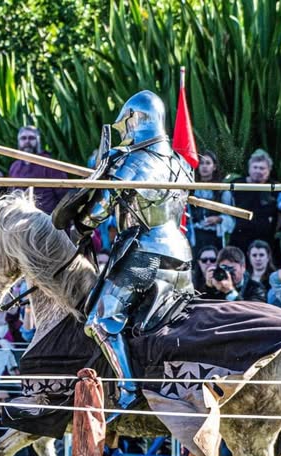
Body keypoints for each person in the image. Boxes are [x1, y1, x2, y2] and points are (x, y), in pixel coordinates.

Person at [52, 89, 193, 408]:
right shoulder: (182, 165)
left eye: (127, 122)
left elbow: (99, 210)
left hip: (145, 251)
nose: (125, 130)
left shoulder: (132, 163)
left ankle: (128, 393)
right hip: (181, 253)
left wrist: (82, 222)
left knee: (101, 321)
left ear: (137, 120)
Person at [221, 149, 279, 255]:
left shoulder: (275, 188)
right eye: (255, 167)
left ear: (268, 170)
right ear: (249, 168)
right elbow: (226, 208)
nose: (258, 171)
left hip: (265, 239)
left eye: (262, 168)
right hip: (239, 237)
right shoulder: (236, 185)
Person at [8, 125, 68, 215]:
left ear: (38, 141)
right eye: (23, 138)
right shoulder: (14, 167)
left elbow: (64, 196)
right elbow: (12, 195)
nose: (27, 141)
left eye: (31, 138)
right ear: (19, 141)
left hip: (47, 219)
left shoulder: (49, 164)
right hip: (21, 218)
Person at [189, 150, 232, 250]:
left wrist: (218, 219)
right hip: (194, 237)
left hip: (214, 237)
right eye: (201, 163)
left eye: (208, 163)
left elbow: (231, 218)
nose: (204, 166)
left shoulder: (222, 191)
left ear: (214, 167)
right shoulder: (190, 189)